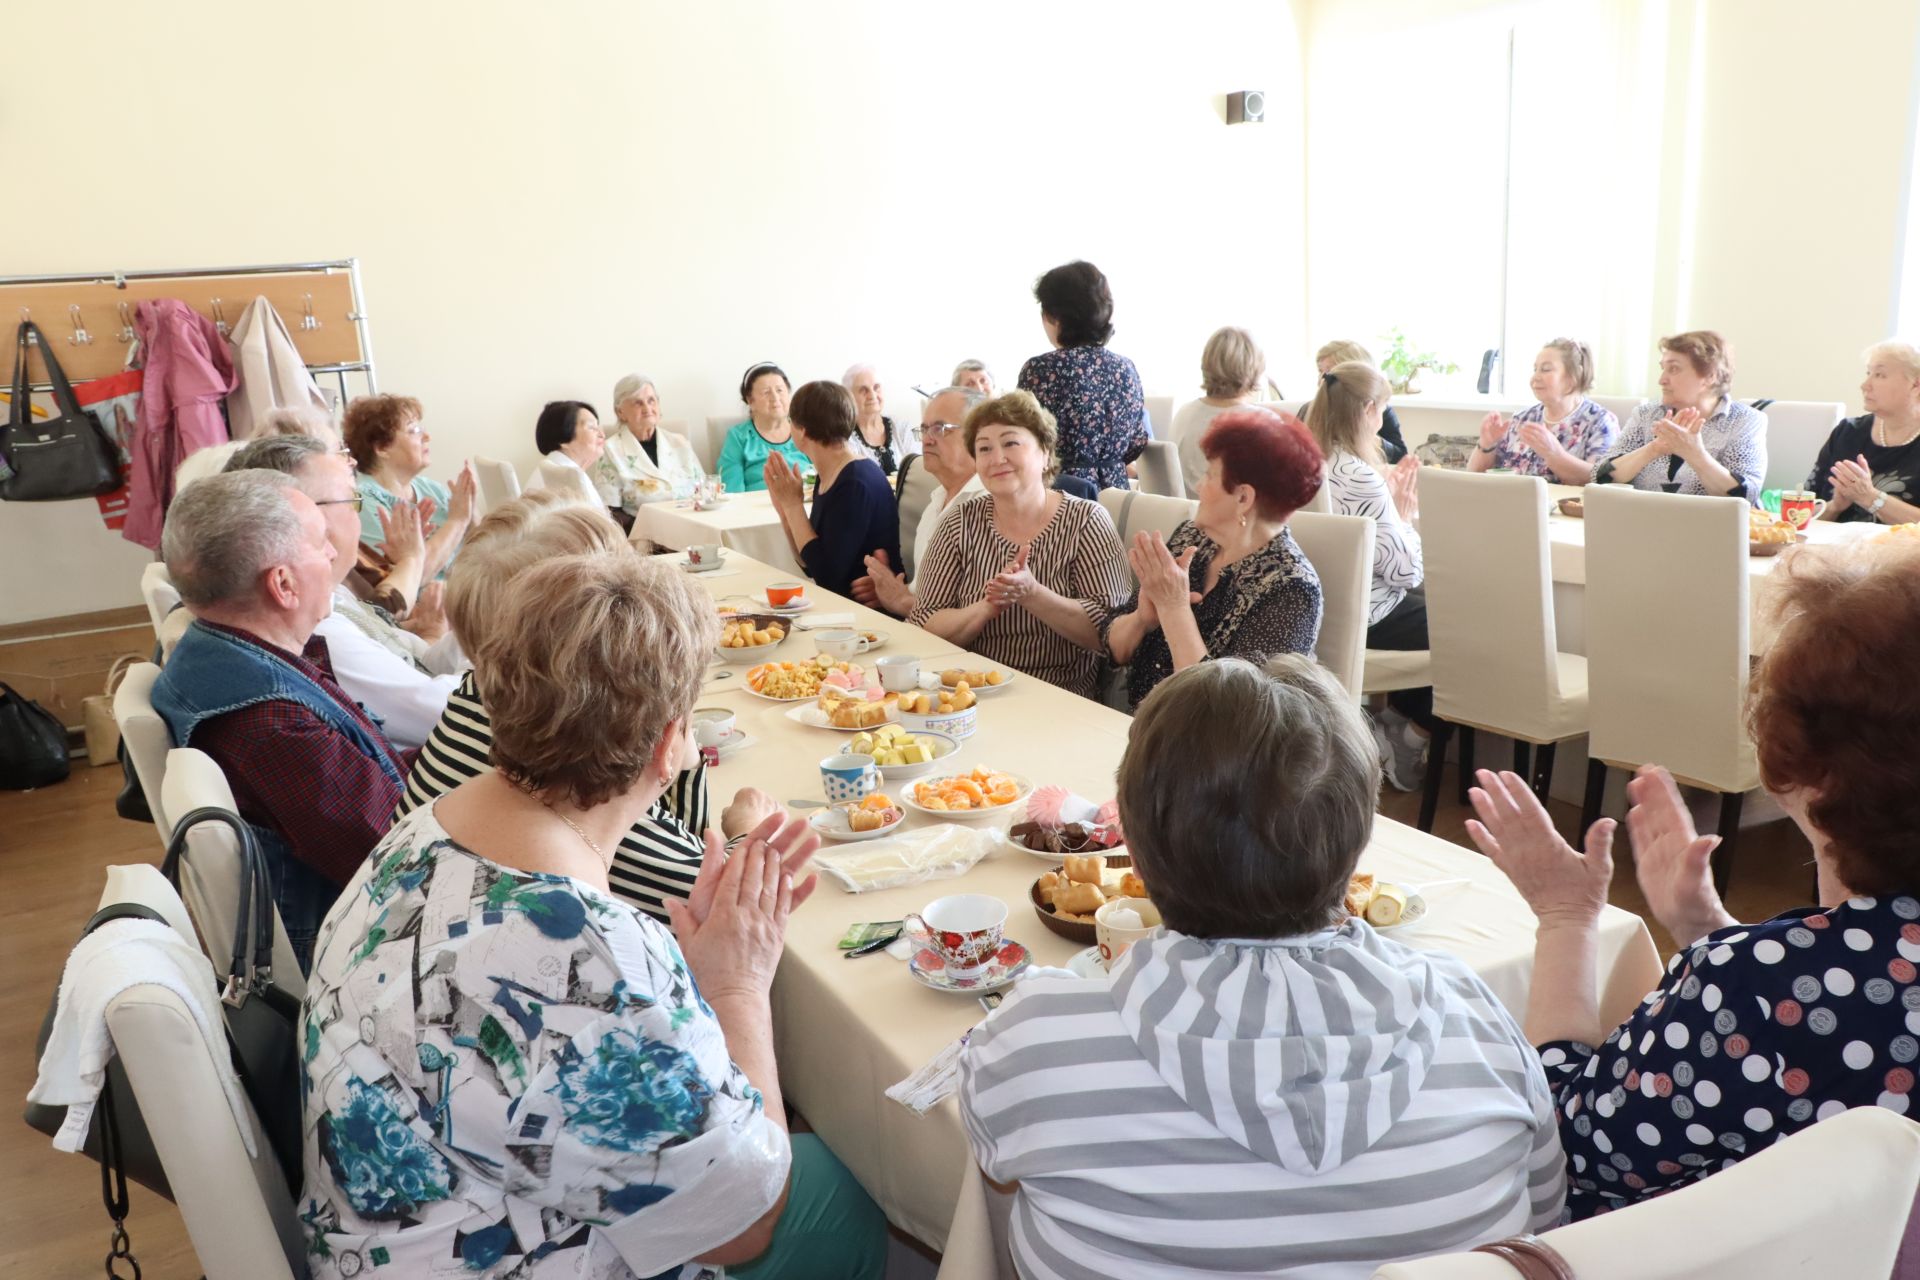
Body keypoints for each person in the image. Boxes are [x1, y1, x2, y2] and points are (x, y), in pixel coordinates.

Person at [299, 551, 887, 1279]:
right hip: (493, 1254)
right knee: (852, 1192)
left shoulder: (422, 830)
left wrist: (687, 982)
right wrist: (735, 987)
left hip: (388, 1238)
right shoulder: (588, 956)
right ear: (673, 746)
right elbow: (745, 1225)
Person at [959, 655, 1566, 1278]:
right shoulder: (1476, 1016)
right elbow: (1546, 1220)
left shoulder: (1036, 1041)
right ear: (1358, 849)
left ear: (1131, 854)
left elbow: (991, 1161)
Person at [1461, 541, 1920, 1219]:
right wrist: (1706, 929)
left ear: (1808, 770)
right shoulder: (1779, 982)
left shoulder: (1754, 989)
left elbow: (1561, 1149)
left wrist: (1566, 918)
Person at [397, 491, 774, 922]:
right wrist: (748, 831)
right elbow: (712, 902)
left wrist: (676, 738)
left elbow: (675, 835)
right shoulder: (568, 763)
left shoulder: (478, 699)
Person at [149, 471, 410, 969]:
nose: (334, 554)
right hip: (364, 956)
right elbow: (401, 859)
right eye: (319, 542)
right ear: (283, 584)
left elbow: (370, 778)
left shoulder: (225, 657)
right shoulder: (271, 724)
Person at [223, 435, 465, 751]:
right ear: (306, 517)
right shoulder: (317, 632)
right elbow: (450, 715)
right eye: (352, 500)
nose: (358, 516)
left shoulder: (331, 595)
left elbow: (416, 657)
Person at [908, 390, 1127, 699]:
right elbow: (923, 620)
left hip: (1058, 699)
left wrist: (1033, 594)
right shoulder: (961, 520)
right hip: (968, 694)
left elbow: (1112, 633)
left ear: (1046, 453)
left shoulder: (1086, 521)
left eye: (1010, 443)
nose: (997, 459)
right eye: (984, 449)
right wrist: (984, 609)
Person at [1106, 409, 1324, 708]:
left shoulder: (1291, 588)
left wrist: (1173, 607)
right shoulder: (1191, 539)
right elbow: (1112, 647)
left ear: (1243, 498)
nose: (1198, 486)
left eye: (1210, 475)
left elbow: (1230, 712)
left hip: (1211, 750)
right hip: (1137, 724)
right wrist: (1141, 620)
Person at [1307, 362, 1430, 790]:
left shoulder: (1311, 462)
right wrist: (1403, 515)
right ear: (1369, 410)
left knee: (1439, 609)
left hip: (1325, 610)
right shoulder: (1361, 477)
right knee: (1463, 626)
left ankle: (1389, 720)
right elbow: (1406, 571)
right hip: (1371, 614)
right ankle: (1410, 734)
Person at [853, 385, 986, 615]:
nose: (927, 440)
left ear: (978, 435)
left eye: (939, 428)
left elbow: (972, 612)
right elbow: (930, 595)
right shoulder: (937, 500)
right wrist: (890, 590)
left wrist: (901, 601)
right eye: (924, 429)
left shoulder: (987, 505)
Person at [1017, 261, 1147, 491]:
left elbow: (1023, 443)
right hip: (1116, 494)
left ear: (1052, 315)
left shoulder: (1041, 369)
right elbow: (1136, 442)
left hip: (1060, 494)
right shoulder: (1126, 368)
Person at [764, 381, 901, 599]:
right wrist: (785, 513)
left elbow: (827, 577)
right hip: (846, 606)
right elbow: (810, 564)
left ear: (802, 432)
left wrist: (793, 506)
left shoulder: (855, 482)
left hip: (869, 615)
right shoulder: (830, 475)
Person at [1594, 331, 1767, 502]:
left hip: (1713, 527)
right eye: (1663, 369)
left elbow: (1747, 496)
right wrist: (1653, 449)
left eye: (1674, 369)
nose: (1662, 380)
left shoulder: (1745, 420)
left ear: (1709, 376)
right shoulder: (1647, 414)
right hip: (1648, 523)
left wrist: (1695, 455)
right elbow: (1599, 477)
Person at [345, 393, 476, 577]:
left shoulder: (430, 488)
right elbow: (409, 578)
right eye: (414, 430)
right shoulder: (362, 501)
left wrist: (471, 516)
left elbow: (475, 551)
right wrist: (457, 521)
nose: (427, 436)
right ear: (382, 448)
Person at [1468, 339, 1618, 483]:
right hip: (1513, 505)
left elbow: (1601, 480)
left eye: (1546, 369)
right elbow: (1474, 478)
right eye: (1535, 369)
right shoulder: (1522, 419)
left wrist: (1555, 455)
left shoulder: (1601, 422)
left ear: (1575, 376)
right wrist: (1487, 444)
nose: (1535, 377)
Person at [1810, 340, 1920, 524]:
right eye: (1868, 373)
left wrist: (1870, 498)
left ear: (1915, 386)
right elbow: (1800, 512)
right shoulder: (1847, 433)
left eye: (1879, 375)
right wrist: (1834, 507)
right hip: (1835, 549)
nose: (1865, 385)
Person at [1170, 326, 1267, 499]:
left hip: (1184, 521)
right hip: (1238, 522)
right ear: (1255, 367)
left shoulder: (1183, 414)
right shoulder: (1264, 423)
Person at [595, 373, 704, 516]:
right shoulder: (610, 450)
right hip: (643, 533)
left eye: (651, 400)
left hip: (693, 523)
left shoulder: (680, 443)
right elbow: (610, 511)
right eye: (638, 403)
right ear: (620, 412)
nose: (647, 408)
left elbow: (704, 490)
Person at [718, 361, 809, 493]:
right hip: (756, 510)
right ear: (750, 400)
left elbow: (825, 476)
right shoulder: (738, 437)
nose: (775, 397)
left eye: (780, 390)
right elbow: (732, 491)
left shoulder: (804, 430)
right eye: (766, 392)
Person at [1314, 340, 1407, 463]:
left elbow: (1400, 456)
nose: (1322, 380)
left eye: (1330, 372)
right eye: (1321, 372)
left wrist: (1366, 435)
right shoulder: (1311, 410)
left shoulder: (1380, 410)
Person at [533, 399, 610, 516]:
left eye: (598, 426)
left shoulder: (551, 465)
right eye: (591, 427)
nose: (601, 434)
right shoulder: (569, 475)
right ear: (563, 439)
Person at [841, 363, 916, 476]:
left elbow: (918, 469)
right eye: (863, 390)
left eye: (876, 387)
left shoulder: (901, 428)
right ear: (849, 396)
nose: (872, 395)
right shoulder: (845, 437)